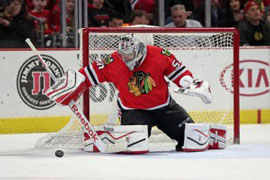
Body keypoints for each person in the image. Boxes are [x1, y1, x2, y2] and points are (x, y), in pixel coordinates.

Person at [45, 33, 215, 151]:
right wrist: (69, 85)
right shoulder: (113, 60)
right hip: (134, 111)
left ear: (139, 49)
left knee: (192, 140)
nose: (126, 59)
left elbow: (179, 73)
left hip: (165, 108)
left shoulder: (159, 54)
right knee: (134, 146)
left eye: (130, 55)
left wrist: (189, 83)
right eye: (123, 55)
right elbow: (87, 75)